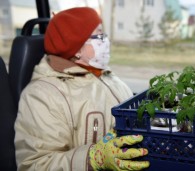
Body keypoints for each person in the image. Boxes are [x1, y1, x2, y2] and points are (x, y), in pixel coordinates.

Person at [14, 7, 150, 171]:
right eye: (99, 36)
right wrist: (92, 158)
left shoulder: (107, 77)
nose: (105, 41)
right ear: (77, 48)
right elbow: (35, 165)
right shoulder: (41, 96)